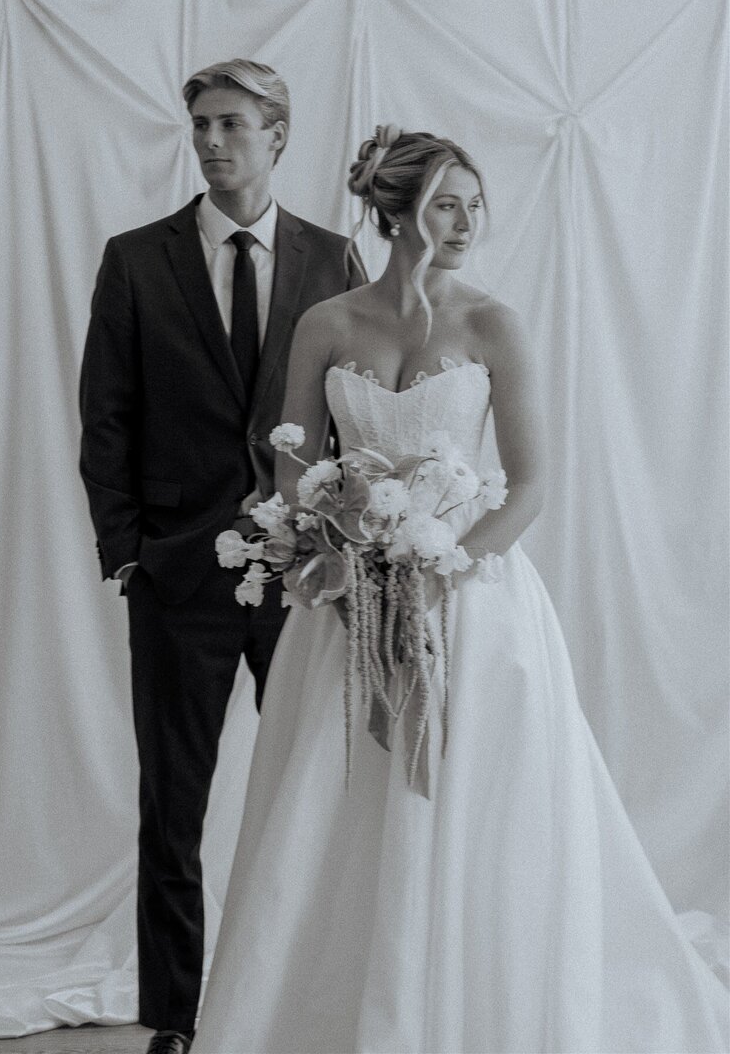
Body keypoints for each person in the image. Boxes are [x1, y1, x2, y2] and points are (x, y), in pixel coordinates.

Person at [192, 127, 729, 1053]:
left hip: (472, 604)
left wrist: (440, 567)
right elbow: (291, 468)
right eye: (448, 204)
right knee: (333, 807)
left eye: (476, 205)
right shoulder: (327, 324)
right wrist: (342, 546)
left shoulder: (493, 324)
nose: (469, 222)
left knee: (473, 812)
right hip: (349, 600)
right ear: (396, 213)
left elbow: (531, 484)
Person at [79, 59, 364, 1054]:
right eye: (200, 123)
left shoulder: (333, 259)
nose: (210, 141)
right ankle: (173, 1018)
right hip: (178, 576)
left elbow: (352, 418)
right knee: (174, 807)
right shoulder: (135, 259)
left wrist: (342, 546)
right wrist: (128, 554)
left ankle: (312, 999)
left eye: (231, 124)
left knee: (321, 797)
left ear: (277, 135)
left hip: (304, 577)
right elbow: (105, 417)